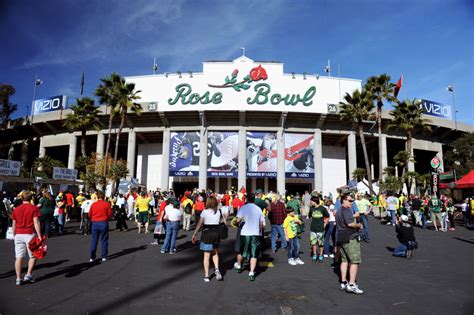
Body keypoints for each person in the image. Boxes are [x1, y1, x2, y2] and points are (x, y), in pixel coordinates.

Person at [11, 191, 42, 285]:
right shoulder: (34, 208)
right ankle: (28, 274)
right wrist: (39, 235)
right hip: (29, 234)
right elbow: (36, 222)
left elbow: (14, 224)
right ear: (31, 198)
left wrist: (14, 234)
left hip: (18, 234)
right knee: (33, 256)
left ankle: (18, 278)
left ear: (21, 198)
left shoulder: (16, 209)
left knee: (19, 257)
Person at [192, 196, 226, 282]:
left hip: (207, 234)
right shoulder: (219, 211)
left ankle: (207, 276)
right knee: (215, 253)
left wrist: (194, 233)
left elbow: (200, 224)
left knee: (206, 255)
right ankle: (217, 269)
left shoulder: (204, 212)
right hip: (216, 234)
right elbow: (223, 222)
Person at [336, 194, 363, 294]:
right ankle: (351, 285)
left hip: (341, 236)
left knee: (344, 260)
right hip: (349, 237)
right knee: (355, 261)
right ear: (344, 200)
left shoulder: (339, 210)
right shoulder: (346, 210)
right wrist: (359, 225)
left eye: (352, 201)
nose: (352, 202)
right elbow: (350, 224)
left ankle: (343, 282)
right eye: (350, 201)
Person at [234, 193, 265, 281]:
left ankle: (239, 265)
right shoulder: (258, 209)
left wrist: (237, 223)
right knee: (254, 253)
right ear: (254, 199)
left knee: (241, 250)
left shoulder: (243, 208)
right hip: (255, 233)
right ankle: (251, 272)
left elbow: (238, 220)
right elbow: (262, 224)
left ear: (247, 199)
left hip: (245, 233)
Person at [88, 191, 112, 262]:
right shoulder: (107, 204)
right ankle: (104, 256)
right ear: (104, 197)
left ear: (97, 197)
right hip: (103, 223)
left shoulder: (93, 204)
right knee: (104, 240)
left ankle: (92, 257)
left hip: (95, 223)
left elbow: (89, 214)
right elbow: (110, 214)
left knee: (94, 240)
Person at [309, 196, 329, 262]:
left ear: (315, 201)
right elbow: (310, 216)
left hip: (320, 228)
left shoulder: (322, 208)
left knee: (321, 243)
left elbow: (327, 216)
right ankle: (315, 254)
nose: (310, 202)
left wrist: (325, 224)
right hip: (313, 228)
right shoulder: (311, 208)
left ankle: (320, 255)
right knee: (313, 243)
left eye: (311, 201)